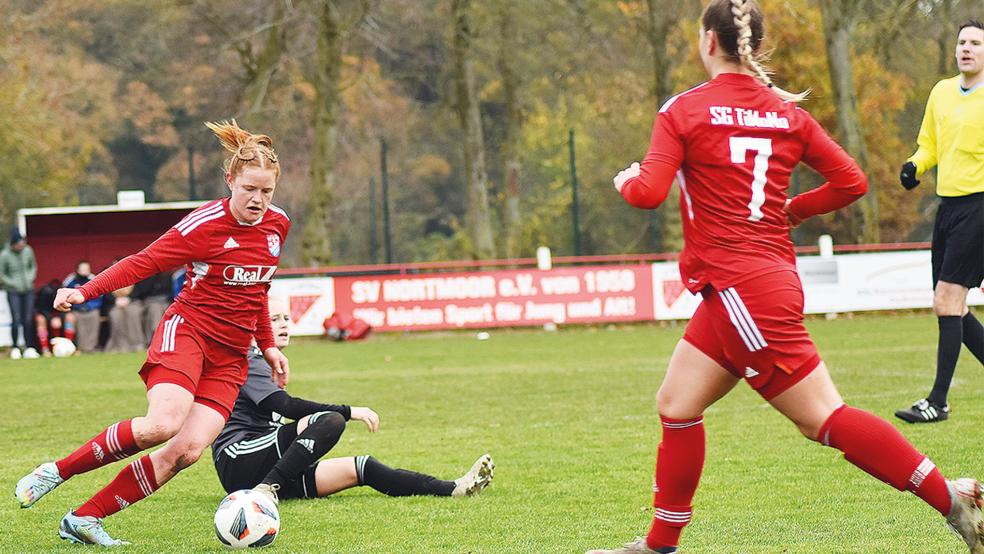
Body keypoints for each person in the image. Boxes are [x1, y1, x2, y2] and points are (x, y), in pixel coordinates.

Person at [587, 2, 984, 553]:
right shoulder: (784, 112)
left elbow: (649, 192)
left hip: (741, 291)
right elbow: (851, 182)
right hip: (755, 283)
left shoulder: (684, 110)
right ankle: (658, 546)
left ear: (707, 41)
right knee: (676, 404)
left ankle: (951, 498)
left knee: (823, 417)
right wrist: (792, 209)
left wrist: (627, 180)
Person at [15, 120, 291, 547]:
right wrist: (84, 291)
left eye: (266, 191)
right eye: (249, 189)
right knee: (162, 424)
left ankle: (84, 518)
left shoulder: (278, 226)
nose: (257, 200)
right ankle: (58, 470)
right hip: (189, 334)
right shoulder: (203, 225)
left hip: (232, 355)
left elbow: (258, 288)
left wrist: (268, 346)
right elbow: (140, 263)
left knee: (186, 451)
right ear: (230, 180)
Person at [212, 297, 493, 507]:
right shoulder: (248, 360)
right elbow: (286, 407)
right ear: (254, 328)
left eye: (285, 317)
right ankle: (265, 491)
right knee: (329, 420)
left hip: (262, 466)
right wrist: (349, 411)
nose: (284, 323)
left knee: (363, 467)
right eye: (273, 319)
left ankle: (454, 488)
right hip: (238, 458)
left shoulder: (266, 362)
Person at [895, 20, 984, 424]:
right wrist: (914, 165)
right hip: (947, 207)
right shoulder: (941, 92)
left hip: (978, 207)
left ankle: (938, 401)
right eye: (962, 42)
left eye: (976, 43)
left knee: (947, 302)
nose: (967, 48)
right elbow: (929, 143)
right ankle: (939, 401)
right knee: (951, 307)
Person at [0, 227, 37, 357]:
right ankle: (15, 347)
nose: (21, 246)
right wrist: (12, 283)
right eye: (19, 243)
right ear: (13, 243)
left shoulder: (28, 251)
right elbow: (2, 273)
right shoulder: (5, 254)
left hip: (28, 289)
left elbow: (33, 266)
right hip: (13, 290)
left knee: (28, 319)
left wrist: (30, 278)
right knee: (16, 319)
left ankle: (28, 347)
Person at [62, 261, 103, 353]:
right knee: (71, 318)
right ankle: (77, 347)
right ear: (77, 270)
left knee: (94, 316)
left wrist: (89, 306)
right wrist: (76, 306)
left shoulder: (93, 279)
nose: (84, 271)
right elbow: (65, 295)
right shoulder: (70, 280)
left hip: (91, 308)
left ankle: (91, 347)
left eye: (86, 269)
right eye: (82, 269)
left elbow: (100, 296)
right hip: (76, 309)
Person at [35, 278, 76, 357]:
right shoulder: (44, 293)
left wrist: (58, 317)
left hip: (61, 314)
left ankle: (70, 345)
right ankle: (45, 349)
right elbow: (41, 309)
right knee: (40, 320)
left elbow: (69, 308)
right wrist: (52, 317)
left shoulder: (66, 294)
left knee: (70, 317)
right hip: (47, 314)